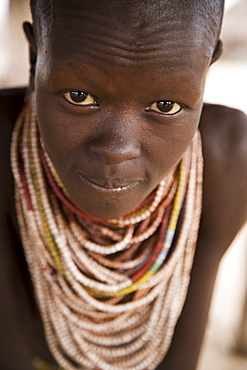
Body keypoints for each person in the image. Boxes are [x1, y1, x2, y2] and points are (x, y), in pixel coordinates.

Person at [0, 0, 246, 369]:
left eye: (165, 105)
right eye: (79, 97)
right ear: (36, 56)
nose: (117, 150)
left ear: (206, 69)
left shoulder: (228, 159)